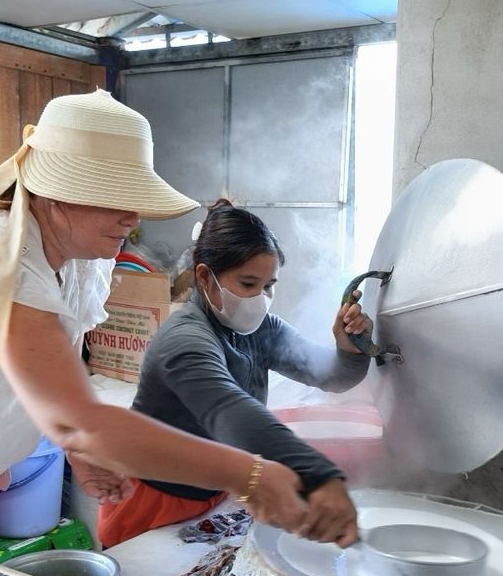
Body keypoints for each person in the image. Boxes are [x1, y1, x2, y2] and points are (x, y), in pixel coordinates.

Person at [0, 90, 314, 576]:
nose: (132, 218)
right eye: (114, 197)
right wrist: (250, 474)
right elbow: (78, 414)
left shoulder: (83, 260)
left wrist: (74, 445)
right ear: (54, 193)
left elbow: (34, 372)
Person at [97, 199, 370, 550]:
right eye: (247, 283)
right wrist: (319, 477)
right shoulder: (183, 340)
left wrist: (350, 350)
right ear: (204, 277)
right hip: (153, 502)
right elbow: (231, 411)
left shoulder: (262, 329)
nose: (261, 298)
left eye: (269, 286)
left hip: (217, 489)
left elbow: (329, 376)